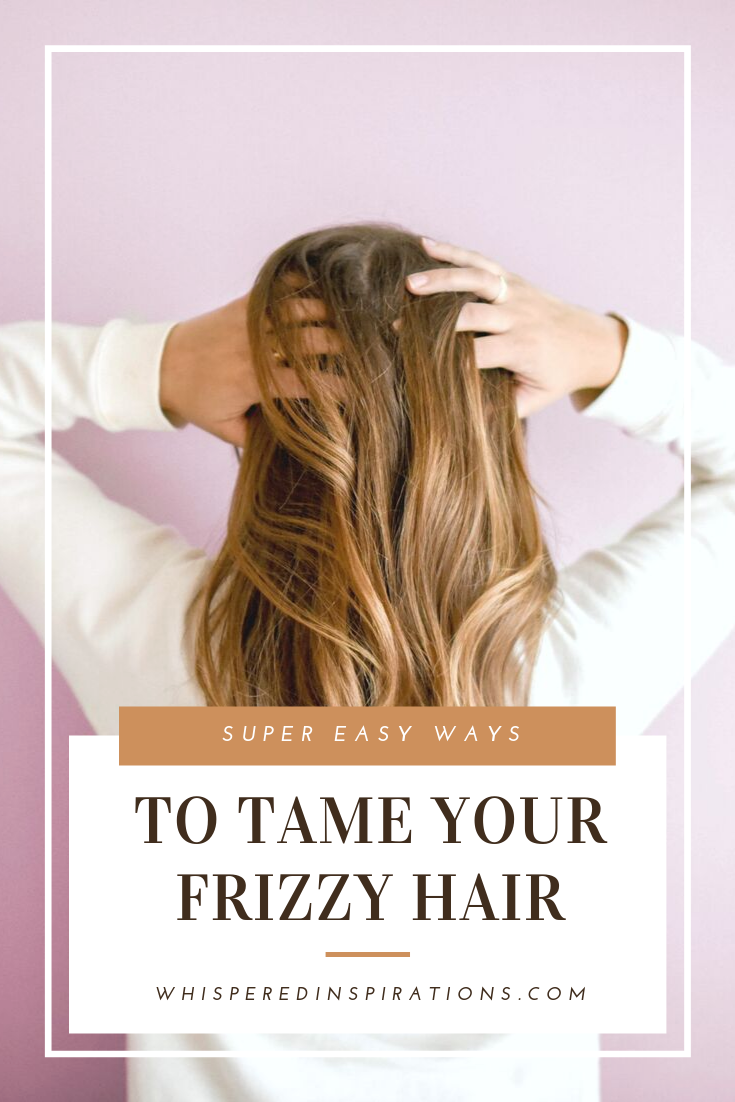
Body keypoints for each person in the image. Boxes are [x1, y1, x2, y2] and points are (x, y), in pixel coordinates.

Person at [1, 223, 733, 1101]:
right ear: (490, 436)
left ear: (261, 421)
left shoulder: (166, 645)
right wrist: (604, 352)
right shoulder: (567, 674)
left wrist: (158, 364)